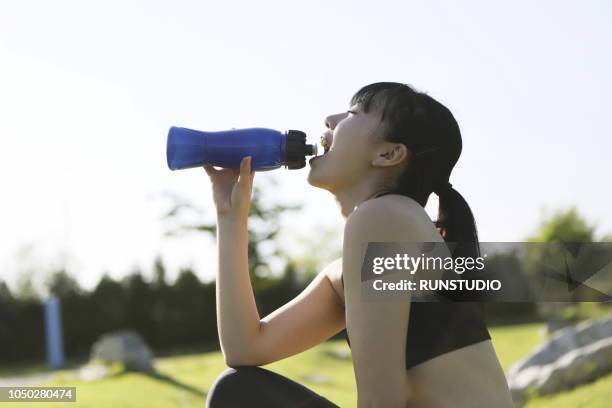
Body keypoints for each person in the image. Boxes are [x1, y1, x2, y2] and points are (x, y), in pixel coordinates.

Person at [204, 82, 513, 407]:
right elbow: (245, 348)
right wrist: (230, 215)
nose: (329, 119)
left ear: (388, 153)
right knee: (239, 390)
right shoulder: (380, 233)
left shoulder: (386, 217)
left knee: (237, 393)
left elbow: (383, 402)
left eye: (352, 113)